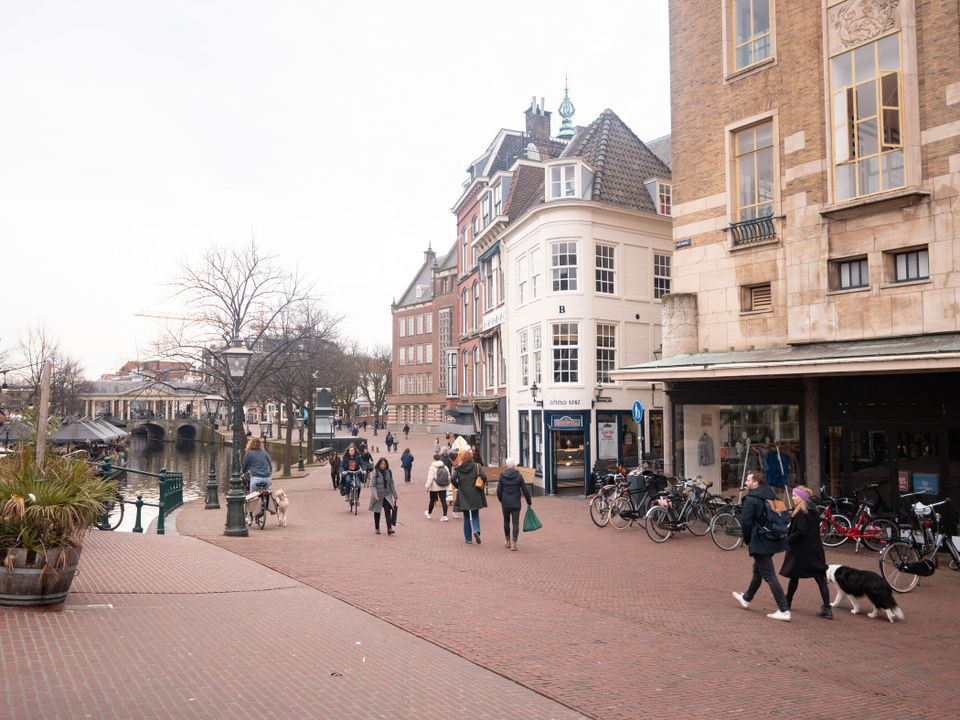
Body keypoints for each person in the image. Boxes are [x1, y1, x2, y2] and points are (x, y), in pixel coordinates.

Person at [733, 472, 791, 621]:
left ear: (756, 483)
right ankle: (746, 598)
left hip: (760, 541)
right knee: (758, 571)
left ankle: (784, 610)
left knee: (769, 575)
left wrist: (747, 540)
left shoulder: (751, 499)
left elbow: (746, 523)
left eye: (748, 480)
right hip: (773, 539)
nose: (745, 482)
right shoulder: (771, 495)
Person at [779, 485, 832, 619]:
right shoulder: (811, 510)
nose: (793, 497)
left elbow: (800, 532)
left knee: (794, 576)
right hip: (814, 550)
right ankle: (827, 608)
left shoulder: (803, 512)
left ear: (802, 498)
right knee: (819, 578)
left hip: (802, 551)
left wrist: (788, 540)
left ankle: (787, 602)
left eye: (795, 495)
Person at [451, 449, 486, 544]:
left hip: (463, 494)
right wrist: (481, 485)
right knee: (475, 515)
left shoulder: (459, 469)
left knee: (466, 516)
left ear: (462, 458)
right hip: (475, 493)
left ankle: (468, 539)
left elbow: (453, 479)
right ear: (471, 457)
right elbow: (484, 476)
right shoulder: (477, 466)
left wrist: (458, 486)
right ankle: (476, 530)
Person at [497, 458, 532, 551]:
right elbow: (525, 490)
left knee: (506, 521)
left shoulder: (502, 476)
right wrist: (529, 502)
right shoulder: (519, 476)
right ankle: (514, 543)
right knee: (515, 523)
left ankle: (507, 541)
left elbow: (499, 491)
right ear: (513, 466)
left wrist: (501, 499)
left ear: (507, 466)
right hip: (516, 502)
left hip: (505, 502)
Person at [369, 457, 398, 535]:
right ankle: (377, 528)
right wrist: (375, 495)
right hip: (378, 495)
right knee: (377, 511)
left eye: (384, 464)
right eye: (382, 464)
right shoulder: (375, 472)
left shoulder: (389, 472)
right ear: (379, 464)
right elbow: (372, 485)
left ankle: (389, 529)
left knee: (388, 511)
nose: (383, 465)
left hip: (387, 494)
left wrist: (395, 494)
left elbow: (391, 483)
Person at [424, 452, 449, 521]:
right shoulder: (445, 466)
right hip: (443, 486)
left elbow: (430, 477)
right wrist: (447, 484)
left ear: (434, 459)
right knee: (444, 501)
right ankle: (445, 516)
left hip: (434, 487)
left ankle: (429, 514)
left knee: (432, 501)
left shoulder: (432, 467)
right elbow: (448, 476)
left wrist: (427, 486)